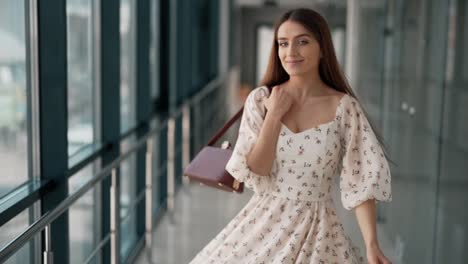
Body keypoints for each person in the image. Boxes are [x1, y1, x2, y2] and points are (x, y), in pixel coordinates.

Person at [189, 7, 392, 264]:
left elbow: (362, 179)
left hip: (319, 231)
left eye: (303, 42)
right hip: (263, 226)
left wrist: (372, 244)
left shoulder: (344, 108)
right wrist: (274, 116)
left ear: (322, 49)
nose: (290, 52)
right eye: (283, 44)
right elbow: (258, 168)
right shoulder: (261, 99)